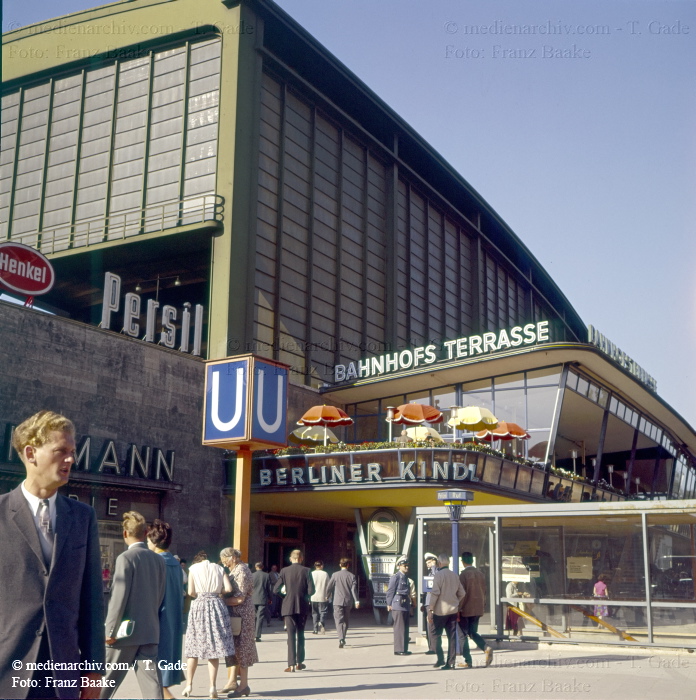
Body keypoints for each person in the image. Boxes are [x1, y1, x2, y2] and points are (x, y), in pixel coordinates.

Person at [0, 410, 105, 700]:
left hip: (63, 676)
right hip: (7, 672)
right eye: (61, 451)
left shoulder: (83, 517)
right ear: (31, 453)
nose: (70, 459)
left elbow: (92, 599)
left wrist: (94, 669)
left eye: (72, 451)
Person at [101, 511, 167, 699]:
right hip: (150, 631)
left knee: (106, 682)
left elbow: (118, 597)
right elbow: (160, 595)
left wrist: (110, 630)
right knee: (152, 684)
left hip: (123, 634)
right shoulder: (158, 560)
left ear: (125, 534)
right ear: (146, 533)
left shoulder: (125, 558)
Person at [183, 551, 236, 699]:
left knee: (193, 646)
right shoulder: (219, 569)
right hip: (217, 605)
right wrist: (218, 591)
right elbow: (229, 589)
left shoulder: (193, 569)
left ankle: (189, 685)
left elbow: (191, 592)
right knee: (214, 647)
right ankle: (212, 686)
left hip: (199, 606)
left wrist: (201, 593)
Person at [147, 520, 185, 699]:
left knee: (152, 673)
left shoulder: (156, 562)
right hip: (173, 619)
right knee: (157, 673)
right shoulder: (176, 564)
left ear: (154, 541)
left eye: (148, 540)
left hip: (157, 620)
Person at [220, 549, 258, 698]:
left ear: (233, 558)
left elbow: (240, 598)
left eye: (225, 559)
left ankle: (243, 685)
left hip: (242, 615)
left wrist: (221, 601)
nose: (223, 562)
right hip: (235, 614)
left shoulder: (242, 570)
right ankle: (232, 681)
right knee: (233, 647)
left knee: (242, 648)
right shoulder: (235, 569)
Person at [274, 549, 315, 672]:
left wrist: (285, 597)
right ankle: (299, 662)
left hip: (288, 606)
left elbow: (276, 589)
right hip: (302, 606)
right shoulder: (307, 571)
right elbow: (311, 591)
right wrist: (305, 596)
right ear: (301, 558)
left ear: (291, 559)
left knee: (290, 635)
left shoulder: (284, 571)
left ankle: (291, 664)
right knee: (301, 634)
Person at [427, 553, 464, 670]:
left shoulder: (438, 575)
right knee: (452, 636)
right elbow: (462, 593)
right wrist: (455, 601)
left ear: (439, 563)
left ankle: (440, 658)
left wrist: (430, 610)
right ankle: (451, 663)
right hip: (452, 610)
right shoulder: (454, 575)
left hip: (440, 611)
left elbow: (435, 594)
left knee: (435, 634)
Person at [458, 551, 493, 668]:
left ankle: (468, 660)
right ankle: (485, 647)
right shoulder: (481, 574)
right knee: (472, 632)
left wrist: (458, 608)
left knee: (462, 634)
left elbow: (461, 594)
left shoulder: (463, 575)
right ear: (472, 561)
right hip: (478, 608)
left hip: (465, 609)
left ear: (462, 562)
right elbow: (485, 591)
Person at [385, 557, 416, 656]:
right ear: (399, 566)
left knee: (405, 627)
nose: (406, 567)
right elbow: (390, 591)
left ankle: (404, 648)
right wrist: (389, 603)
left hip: (405, 604)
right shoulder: (396, 577)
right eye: (404, 565)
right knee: (399, 628)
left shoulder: (406, 577)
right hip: (398, 604)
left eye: (407, 565)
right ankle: (399, 649)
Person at [326, 558, 360, 647]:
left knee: (338, 620)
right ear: (348, 565)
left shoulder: (335, 575)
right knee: (346, 621)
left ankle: (341, 638)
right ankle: (343, 637)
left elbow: (329, 587)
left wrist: (327, 595)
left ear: (340, 565)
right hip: (348, 601)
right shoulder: (351, 576)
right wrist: (356, 600)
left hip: (337, 601)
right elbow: (353, 590)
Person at [422, 552, 439, 656]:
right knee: (430, 625)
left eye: (429, 562)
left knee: (431, 625)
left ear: (434, 561)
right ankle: (432, 647)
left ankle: (433, 648)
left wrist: (433, 567)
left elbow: (435, 578)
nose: (427, 564)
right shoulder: (430, 573)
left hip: (432, 603)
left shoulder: (435, 572)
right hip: (428, 603)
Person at [251, 562, 272, 641]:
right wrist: (270, 598)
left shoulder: (252, 575)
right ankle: (257, 635)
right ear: (262, 567)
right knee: (260, 617)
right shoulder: (266, 575)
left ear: (256, 567)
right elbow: (269, 588)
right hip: (263, 598)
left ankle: (252, 634)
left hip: (253, 599)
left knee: (254, 617)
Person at [310, 560, 330, 635]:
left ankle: (315, 629)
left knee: (314, 612)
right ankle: (321, 622)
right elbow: (328, 586)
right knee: (323, 611)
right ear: (321, 566)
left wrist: (308, 596)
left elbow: (309, 585)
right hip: (323, 595)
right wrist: (329, 596)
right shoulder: (325, 574)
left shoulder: (311, 574)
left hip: (313, 596)